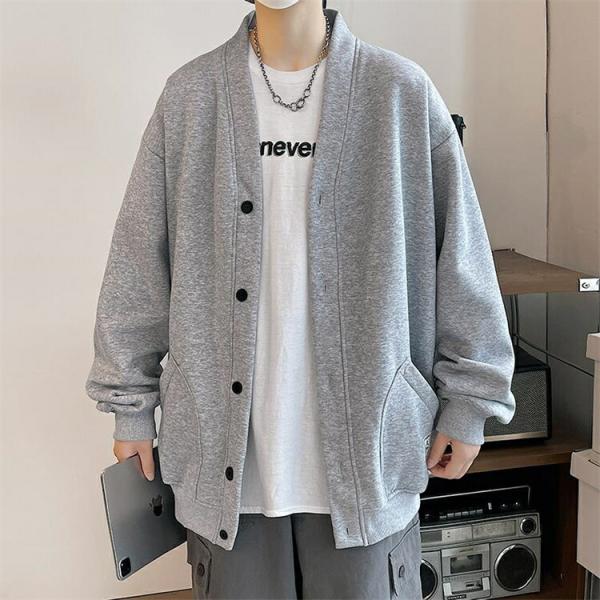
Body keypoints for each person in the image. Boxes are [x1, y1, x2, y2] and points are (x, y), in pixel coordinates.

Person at [85, 0, 516, 598]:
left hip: (369, 462)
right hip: (224, 467)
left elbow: (463, 262)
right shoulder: (190, 97)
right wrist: (129, 405)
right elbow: (138, 262)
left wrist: (470, 401)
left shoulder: (399, 92)